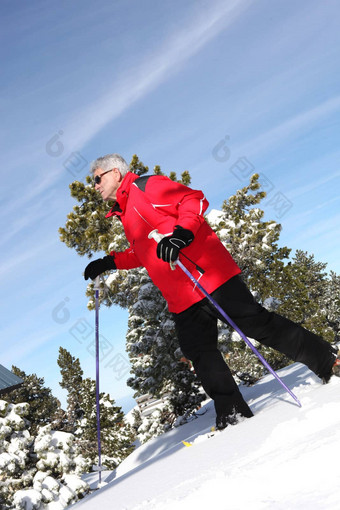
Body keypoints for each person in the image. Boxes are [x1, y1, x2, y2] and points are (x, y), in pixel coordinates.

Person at [84, 153, 340, 430]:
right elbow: (145, 253)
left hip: (208, 276)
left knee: (257, 324)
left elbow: (194, 199)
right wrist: (110, 262)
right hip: (181, 295)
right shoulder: (125, 210)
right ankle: (232, 413)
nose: (95, 185)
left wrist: (182, 235)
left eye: (97, 178)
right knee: (200, 351)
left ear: (115, 173)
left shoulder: (145, 186)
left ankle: (328, 361)